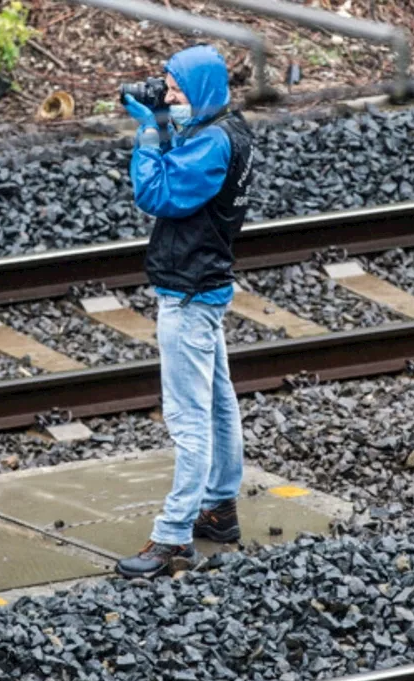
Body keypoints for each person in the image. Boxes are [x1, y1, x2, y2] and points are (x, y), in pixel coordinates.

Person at [113, 45, 256, 579]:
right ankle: (218, 507)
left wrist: (149, 132)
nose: (169, 96)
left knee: (188, 420)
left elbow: (157, 192)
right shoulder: (229, 128)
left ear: (200, 91)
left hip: (188, 294)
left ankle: (173, 538)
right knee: (219, 405)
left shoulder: (214, 144)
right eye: (167, 88)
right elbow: (184, 170)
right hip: (207, 287)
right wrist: (167, 121)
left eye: (176, 90)